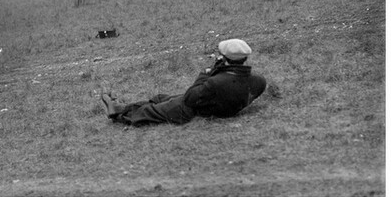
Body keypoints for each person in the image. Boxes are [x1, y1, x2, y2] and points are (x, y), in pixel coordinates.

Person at [101, 38, 267, 126]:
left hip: (193, 109)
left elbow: (190, 97)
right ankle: (122, 107)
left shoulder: (215, 83)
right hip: (211, 103)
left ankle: (119, 115)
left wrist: (206, 73)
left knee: (152, 111)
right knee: (161, 98)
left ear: (226, 60)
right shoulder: (259, 81)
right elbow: (232, 85)